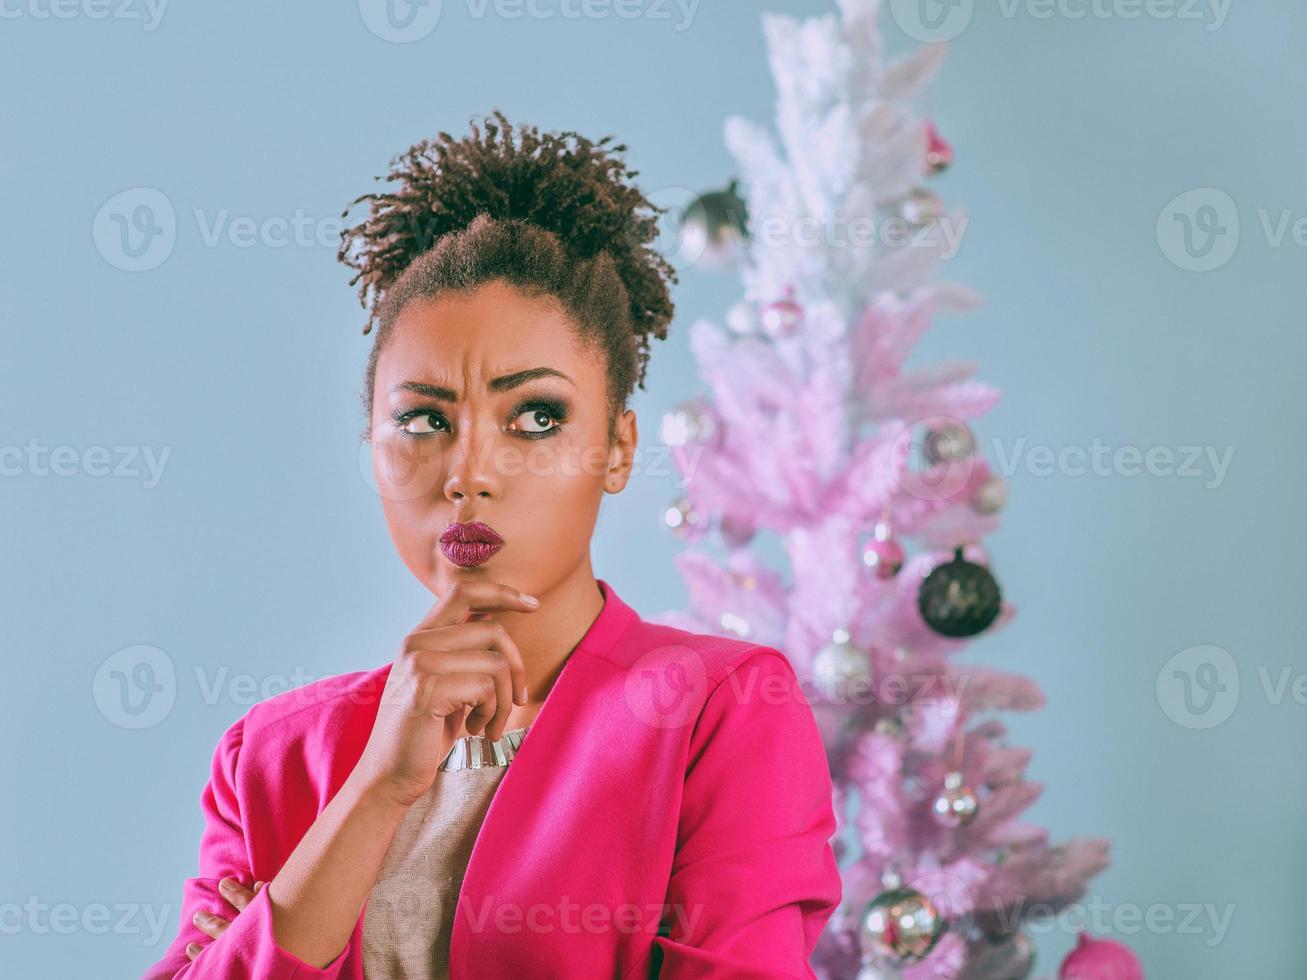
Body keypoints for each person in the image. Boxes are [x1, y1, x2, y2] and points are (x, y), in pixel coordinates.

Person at [143, 110, 842, 979]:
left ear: (619, 448)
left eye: (536, 417)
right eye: (424, 420)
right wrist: (376, 789)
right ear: (371, 447)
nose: (467, 472)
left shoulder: (717, 713)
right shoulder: (272, 757)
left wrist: (275, 931)